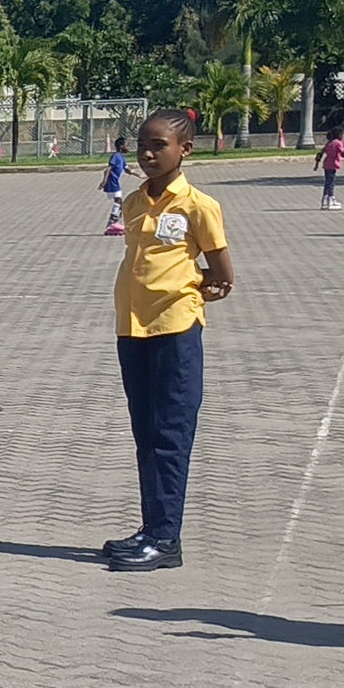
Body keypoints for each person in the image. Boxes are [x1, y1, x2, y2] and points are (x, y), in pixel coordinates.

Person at [102, 110, 236, 573]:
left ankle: (166, 539)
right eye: (142, 144)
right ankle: (151, 527)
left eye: (159, 145)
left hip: (175, 330)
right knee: (145, 434)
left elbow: (222, 274)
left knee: (170, 435)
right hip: (132, 327)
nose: (147, 153)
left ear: (185, 150)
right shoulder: (137, 201)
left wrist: (191, 287)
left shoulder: (198, 205)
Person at [102, 136, 131, 234]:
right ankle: (112, 223)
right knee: (118, 201)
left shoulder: (121, 157)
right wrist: (104, 181)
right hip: (112, 182)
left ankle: (113, 223)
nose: (128, 147)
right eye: (127, 145)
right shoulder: (115, 156)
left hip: (114, 182)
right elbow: (108, 169)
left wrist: (140, 175)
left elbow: (127, 169)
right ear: (121, 146)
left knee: (119, 202)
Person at [316, 126, 344, 210]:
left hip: (326, 165)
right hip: (333, 164)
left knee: (327, 182)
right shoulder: (338, 143)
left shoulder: (328, 143)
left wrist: (316, 164)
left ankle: (324, 200)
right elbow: (342, 152)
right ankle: (331, 199)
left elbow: (320, 153)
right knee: (331, 183)